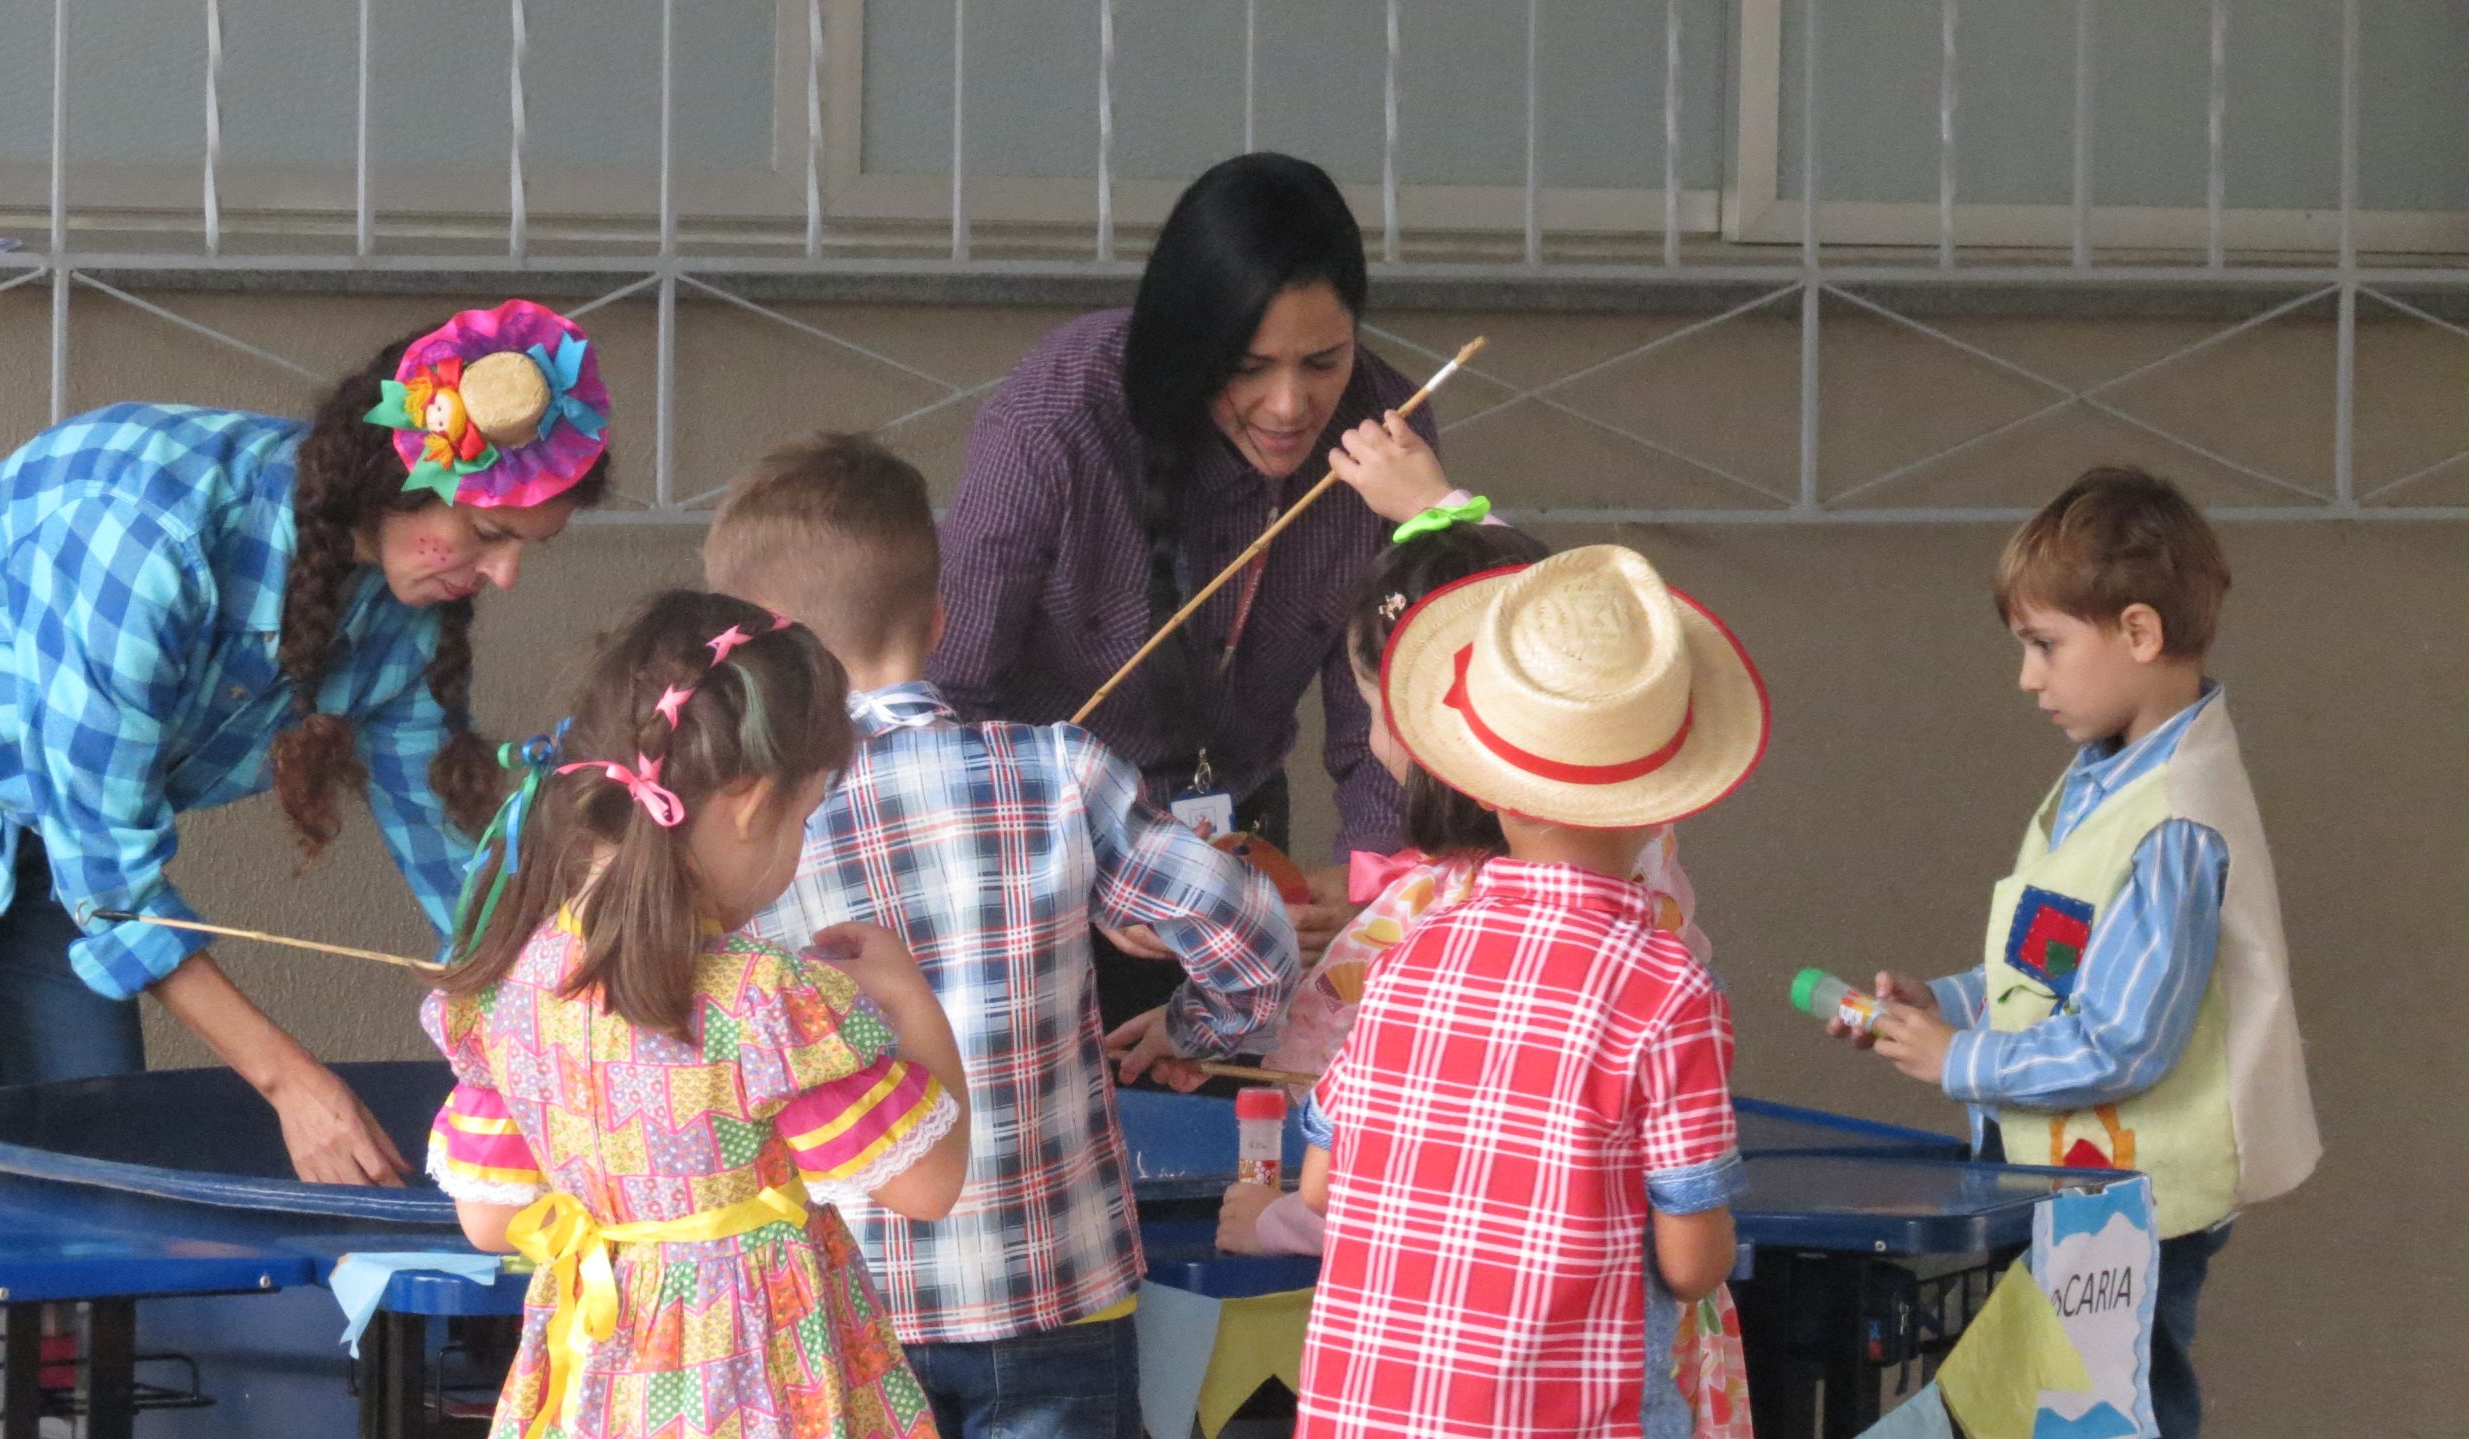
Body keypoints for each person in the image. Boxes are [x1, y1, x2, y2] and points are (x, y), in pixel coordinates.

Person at [0, 298, 610, 1186]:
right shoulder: (145, 532)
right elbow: (114, 883)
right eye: (487, 535)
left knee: (89, 1163)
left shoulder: (403, 613)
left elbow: (458, 871)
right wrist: (291, 1083)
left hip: (45, 845)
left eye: (525, 550)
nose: (504, 577)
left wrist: (573, 1035)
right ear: (392, 480)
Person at [704, 433, 1299, 1438]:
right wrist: (1195, 1026)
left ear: (753, 648)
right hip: (1054, 1290)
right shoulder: (1058, 769)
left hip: (826, 1299)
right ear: (937, 620)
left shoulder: (735, 817)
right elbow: (1254, 938)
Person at [1213, 521, 1749, 1439]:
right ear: (1667, 795)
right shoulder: (1668, 987)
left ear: (1473, 765)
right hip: (1573, 1408)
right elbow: (1693, 1260)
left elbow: (1322, 1188)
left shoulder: (1405, 949)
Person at [933, 151, 1484, 1024]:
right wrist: (1089, 868)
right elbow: (942, 701)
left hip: (1239, 855)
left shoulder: (1384, 431)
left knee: (1241, 1126)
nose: (1288, 405)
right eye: (1248, 366)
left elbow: (1388, 689)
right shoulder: (1061, 415)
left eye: (1323, 361)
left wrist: (1367, 876)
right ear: (1189, 342)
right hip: (1034, 857)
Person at [1823, 467, 2319, 1439]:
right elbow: (2053, 961)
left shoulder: (2174, 817)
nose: (2027, 677)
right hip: (2084, 1192)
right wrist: (1955, 1002)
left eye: (2044, 646)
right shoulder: (2104, 776)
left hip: (2135, 1202)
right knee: (2060, 1407)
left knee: (2102, 1414)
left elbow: (2123, 1040)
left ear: (2138, 632)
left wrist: (1957, 1059)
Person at [422, 589, 970, 1439]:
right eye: (807, 815)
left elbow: (489, 1220)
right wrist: (908, 997)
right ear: (751, 803)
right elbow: (930, 1184)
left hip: (598, 1388)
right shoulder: (764, 1008)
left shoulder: (513, 989)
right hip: (759, 1397)